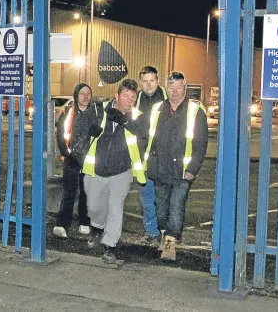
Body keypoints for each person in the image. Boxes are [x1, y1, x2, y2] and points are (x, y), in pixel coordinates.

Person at [73, 79, 147, 264]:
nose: (129, 100)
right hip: (96, 171)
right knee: (95, 208)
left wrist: (124, 121)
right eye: (126, 96)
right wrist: (85, 146)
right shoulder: (98, 110)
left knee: (115, 209)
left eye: (133, 97)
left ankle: (109, 245)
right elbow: (79, 132)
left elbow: (143, 133)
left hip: (121, 172)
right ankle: (97, 228)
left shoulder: (137, 115)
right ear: (117, 95)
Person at [144, 71, 208, 261]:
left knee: (176, 206)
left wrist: (192, 169)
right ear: (166, 88)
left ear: (185, 88)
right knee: (161, 208)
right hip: (160, 168)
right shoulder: (157, 109)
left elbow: (201, 143)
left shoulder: (195, 111)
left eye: (179, 87)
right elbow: (147, 137)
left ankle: (171, 242)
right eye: (171, 87)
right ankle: (166, 234)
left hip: (182, 171)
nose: (175, 91)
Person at [52, 83, 93, 238]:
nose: (86, 96)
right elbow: (61, 134)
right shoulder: (68, 112)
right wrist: (67, 153)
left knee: (86, 192)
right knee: (69, 192)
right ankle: (62, 224)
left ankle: (84, 222)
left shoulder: (95, 114)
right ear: (76, 95)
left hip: (88, 160)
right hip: (71, 158)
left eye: (88, 93)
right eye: (82, 93)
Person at [135, 66, 167, 246]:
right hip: (141, 157)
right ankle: (151, 232)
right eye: (145, 81)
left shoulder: (167, 99)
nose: (148, 85)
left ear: (158, 81)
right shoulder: (136, 99)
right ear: (141, 82)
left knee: (163, 198)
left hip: (163, 158)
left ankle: (166, 235)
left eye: (151, 81)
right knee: (146, 197)